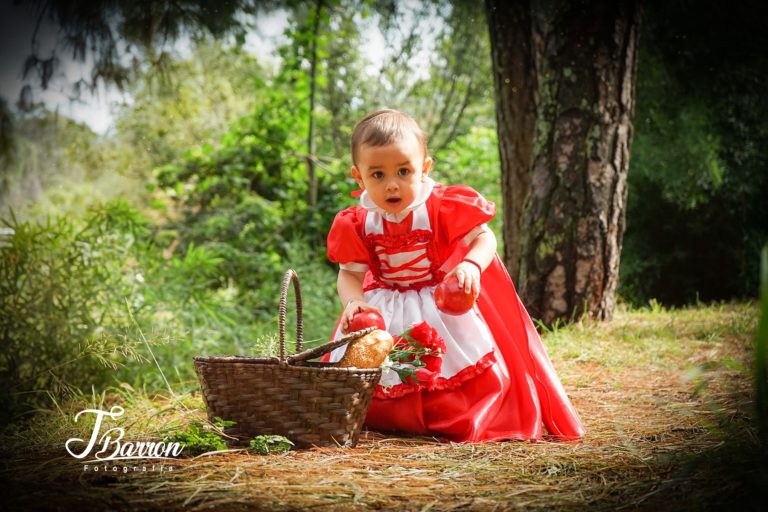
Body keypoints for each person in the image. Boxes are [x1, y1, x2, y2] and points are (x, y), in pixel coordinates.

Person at [320, 109, 585, 442]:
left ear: (425, 168)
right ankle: (388, 417)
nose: (392, 184)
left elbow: (485, 237)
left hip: (438, 304)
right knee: (374, 369)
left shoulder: (441, 207)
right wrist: (355, 301)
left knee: (459, 366)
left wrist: (471, 264)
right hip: (385, 306)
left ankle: (452, 418)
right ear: (358, 177)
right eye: (377, 175)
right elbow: (348, 274)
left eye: (404, 171)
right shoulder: (357, 222)